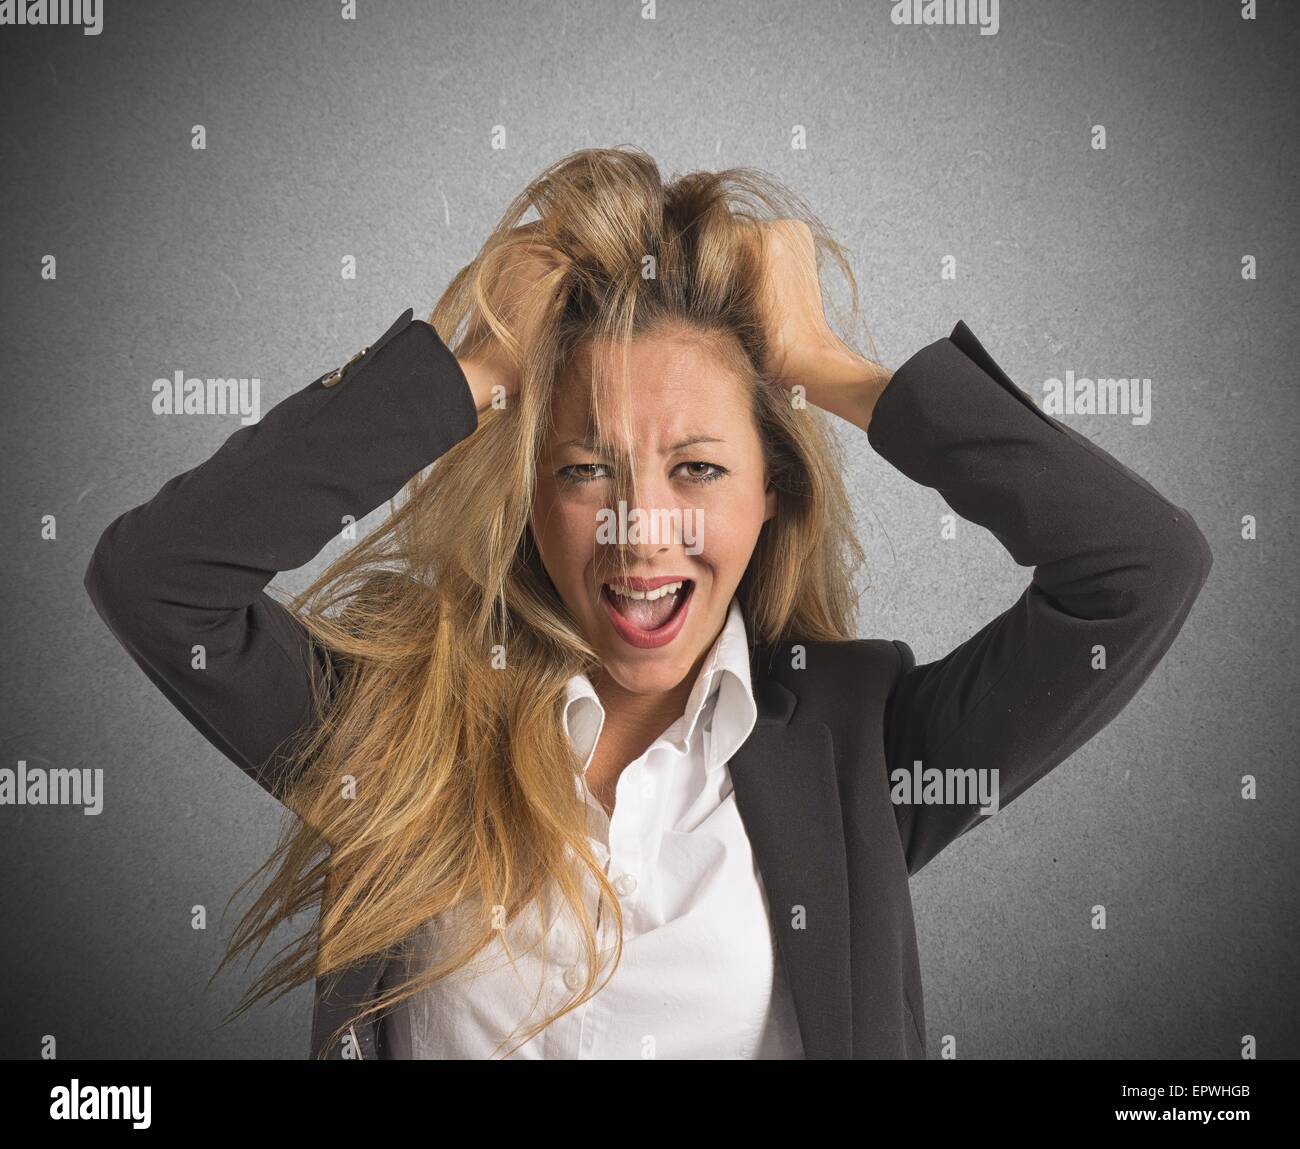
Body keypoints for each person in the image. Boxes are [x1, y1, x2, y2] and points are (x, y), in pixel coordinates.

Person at [83, 146, 1212, 1059]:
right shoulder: (402, 739)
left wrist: (829, 367)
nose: (639, 527)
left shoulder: (854, 751)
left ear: (774, 493)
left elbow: (1136, 568)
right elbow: (157, 580)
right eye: (584, 470)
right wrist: (464, 372)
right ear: (529, 498)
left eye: (699, 470)